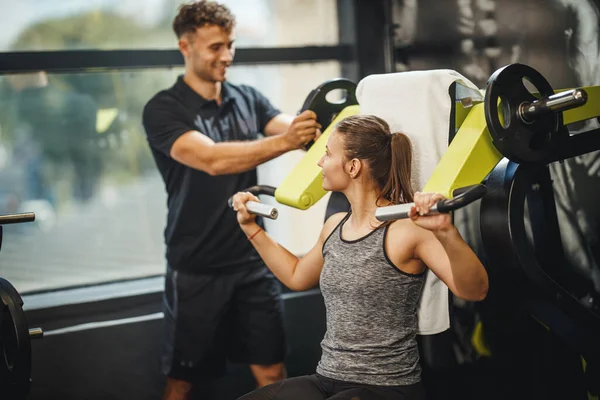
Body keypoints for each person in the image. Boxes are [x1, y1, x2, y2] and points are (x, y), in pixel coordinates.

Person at [231, 115, 489, 400]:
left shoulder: (407, 228)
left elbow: (475, 290)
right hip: (327, 378)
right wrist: (250, 228)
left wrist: (446, 232)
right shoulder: (335, 225)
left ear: (353, 167)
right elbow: (296, 275)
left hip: (386, 387)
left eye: (328, 154)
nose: (320, 162)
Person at [141, 1, 321, 399]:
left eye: (231, 45)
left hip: (253, 260)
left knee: (272, 371)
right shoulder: (163, 109)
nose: (226, 56)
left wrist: (324, 124)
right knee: (182, 382)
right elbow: (211, 159)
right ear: (185, 47)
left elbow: (294, 129)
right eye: (215, 47)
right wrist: (287, 141)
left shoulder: (247, 98)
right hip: (197, 268)